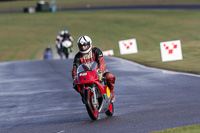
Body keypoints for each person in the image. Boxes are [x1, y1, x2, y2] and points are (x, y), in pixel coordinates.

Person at [72, 35, 116, 101]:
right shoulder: (77, 56)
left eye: (85, 46)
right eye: (81, 46)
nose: (83, 48)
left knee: (110, 77)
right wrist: (75, 77)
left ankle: (111, 92)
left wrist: (100, 72)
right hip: (86, 74)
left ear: (89, 44)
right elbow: (75, 68)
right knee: (75, 84)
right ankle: (84, 95)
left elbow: (101, 62)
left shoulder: (96, 51)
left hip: (99, 71)